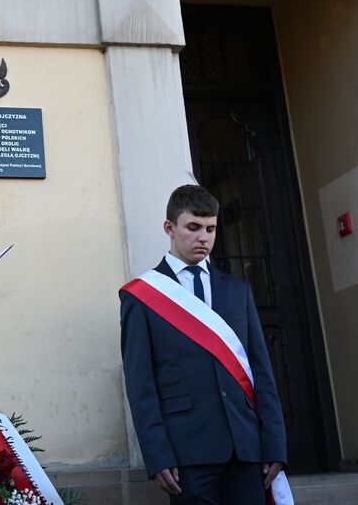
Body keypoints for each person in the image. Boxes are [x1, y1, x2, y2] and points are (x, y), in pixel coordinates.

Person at [120, 185, 287, 504]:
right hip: (187, 453)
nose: (204, 238)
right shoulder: (141, 297)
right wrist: (157, 455)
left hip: (246, 449)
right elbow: (140, 384)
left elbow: (262, 372)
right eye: (193, 227)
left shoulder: (238, 290)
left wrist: (274, 443)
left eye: (210, 228)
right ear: (170, 228)